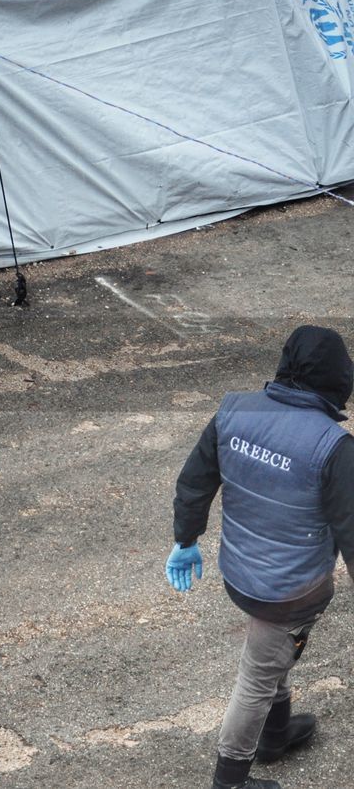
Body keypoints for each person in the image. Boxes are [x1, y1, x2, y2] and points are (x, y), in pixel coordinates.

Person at [166, 325, 354, 789]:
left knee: (273, 654)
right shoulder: (333, 446)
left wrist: (186, 539)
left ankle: (276, 735)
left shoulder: (235, 411)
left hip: (238, 572)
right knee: (256, 677)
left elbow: (195, 481)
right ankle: (230, 780)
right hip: (291, 591)